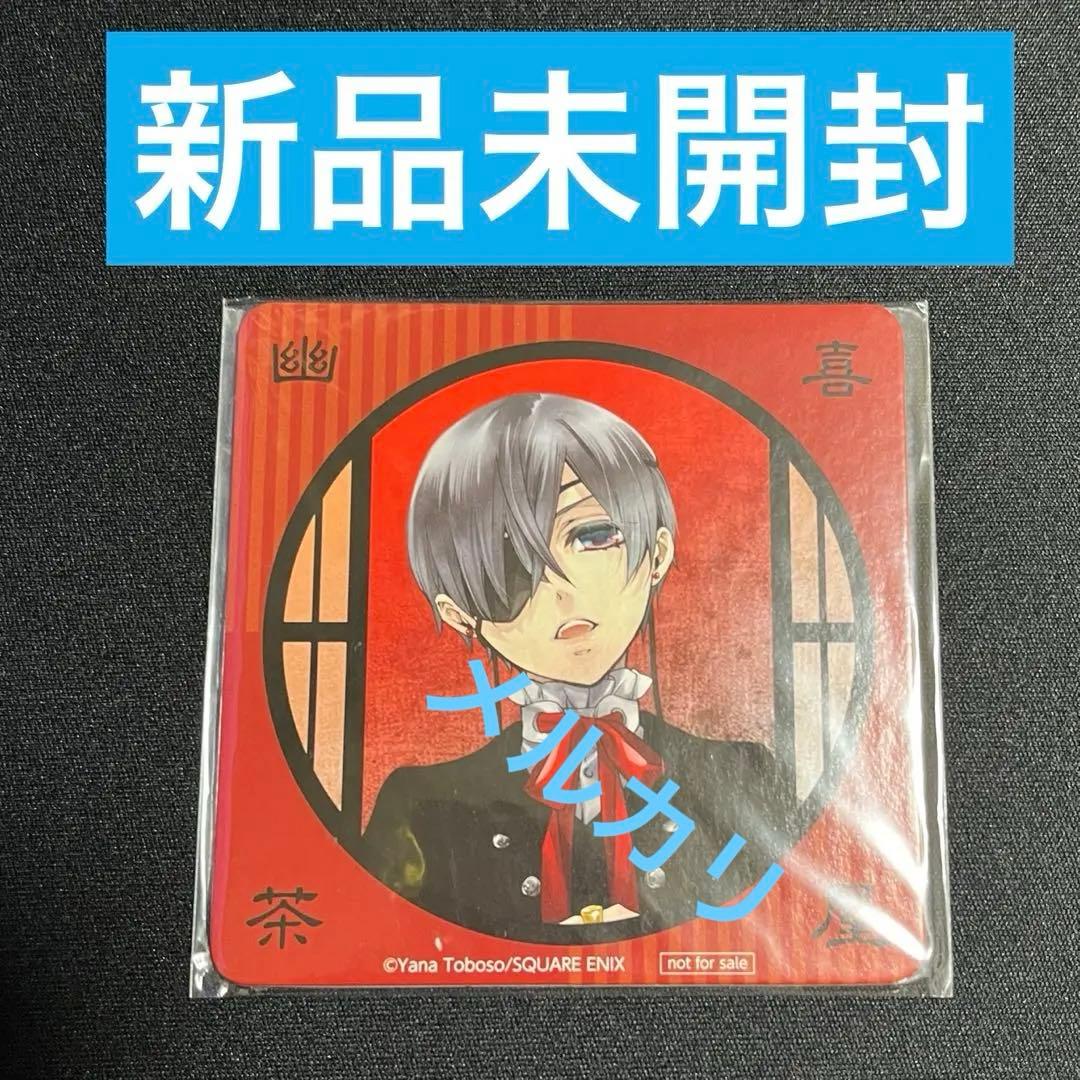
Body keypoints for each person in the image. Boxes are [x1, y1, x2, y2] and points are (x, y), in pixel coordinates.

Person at [357, 392, 787, 942]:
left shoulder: (744, 777)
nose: (560, 590)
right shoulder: (423, 809)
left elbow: (778, 929)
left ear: (657, 554)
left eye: (592, 536)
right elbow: (381, 951)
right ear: (459, 613)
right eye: (509, 565)